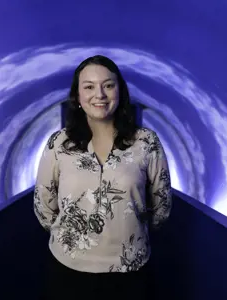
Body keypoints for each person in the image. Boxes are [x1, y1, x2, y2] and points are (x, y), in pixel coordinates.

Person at [34, 55, 172, 299]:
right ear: (77, 96)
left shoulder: (147, 142)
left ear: (120, 91)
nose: (100, 94)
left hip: (131, 270)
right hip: (69, 269)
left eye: (108, 85)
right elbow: (44, 205)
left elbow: (161, 207)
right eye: (89, 87)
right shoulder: (59, 143)